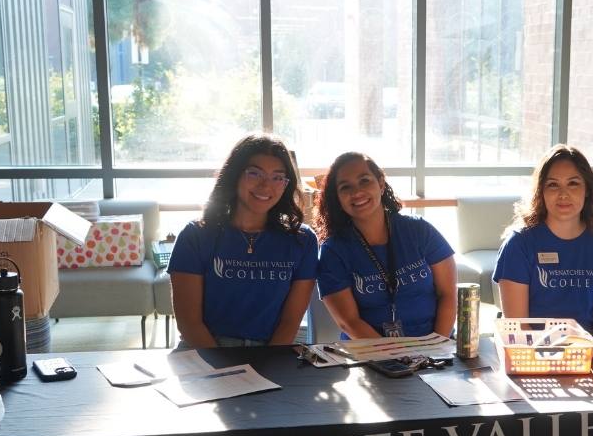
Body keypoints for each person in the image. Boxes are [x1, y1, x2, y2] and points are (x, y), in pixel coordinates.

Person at [168, 134, 318, 347]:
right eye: (254, 174)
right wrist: (225, 375)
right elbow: (189, 324)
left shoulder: (302, 241)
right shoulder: (195, 235)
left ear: (286, 184)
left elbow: (289, 322)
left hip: (270, 353)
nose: (266, 186)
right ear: (234, 175)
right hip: (205, 351)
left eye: (277, 177)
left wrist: (263, 369)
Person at [315, 152, 457, 339]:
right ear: (338, 198)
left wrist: (436, 347)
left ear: (381, 184)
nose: (356, 192)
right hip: (371, 354)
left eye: (364, 181)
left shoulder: (419, 230)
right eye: (345, 187)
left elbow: (448, 294)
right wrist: (396, 361)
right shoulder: (333, 250)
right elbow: (349, 322)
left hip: (435, 348)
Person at [493, 145, 593, 332]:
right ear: (541, 192)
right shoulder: (519, 244)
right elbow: (519, 327)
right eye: (553, 185)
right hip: (534, 354)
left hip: (588, 354)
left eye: (573, 183)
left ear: (587, 189)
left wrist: (584, 355)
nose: (563, 194)